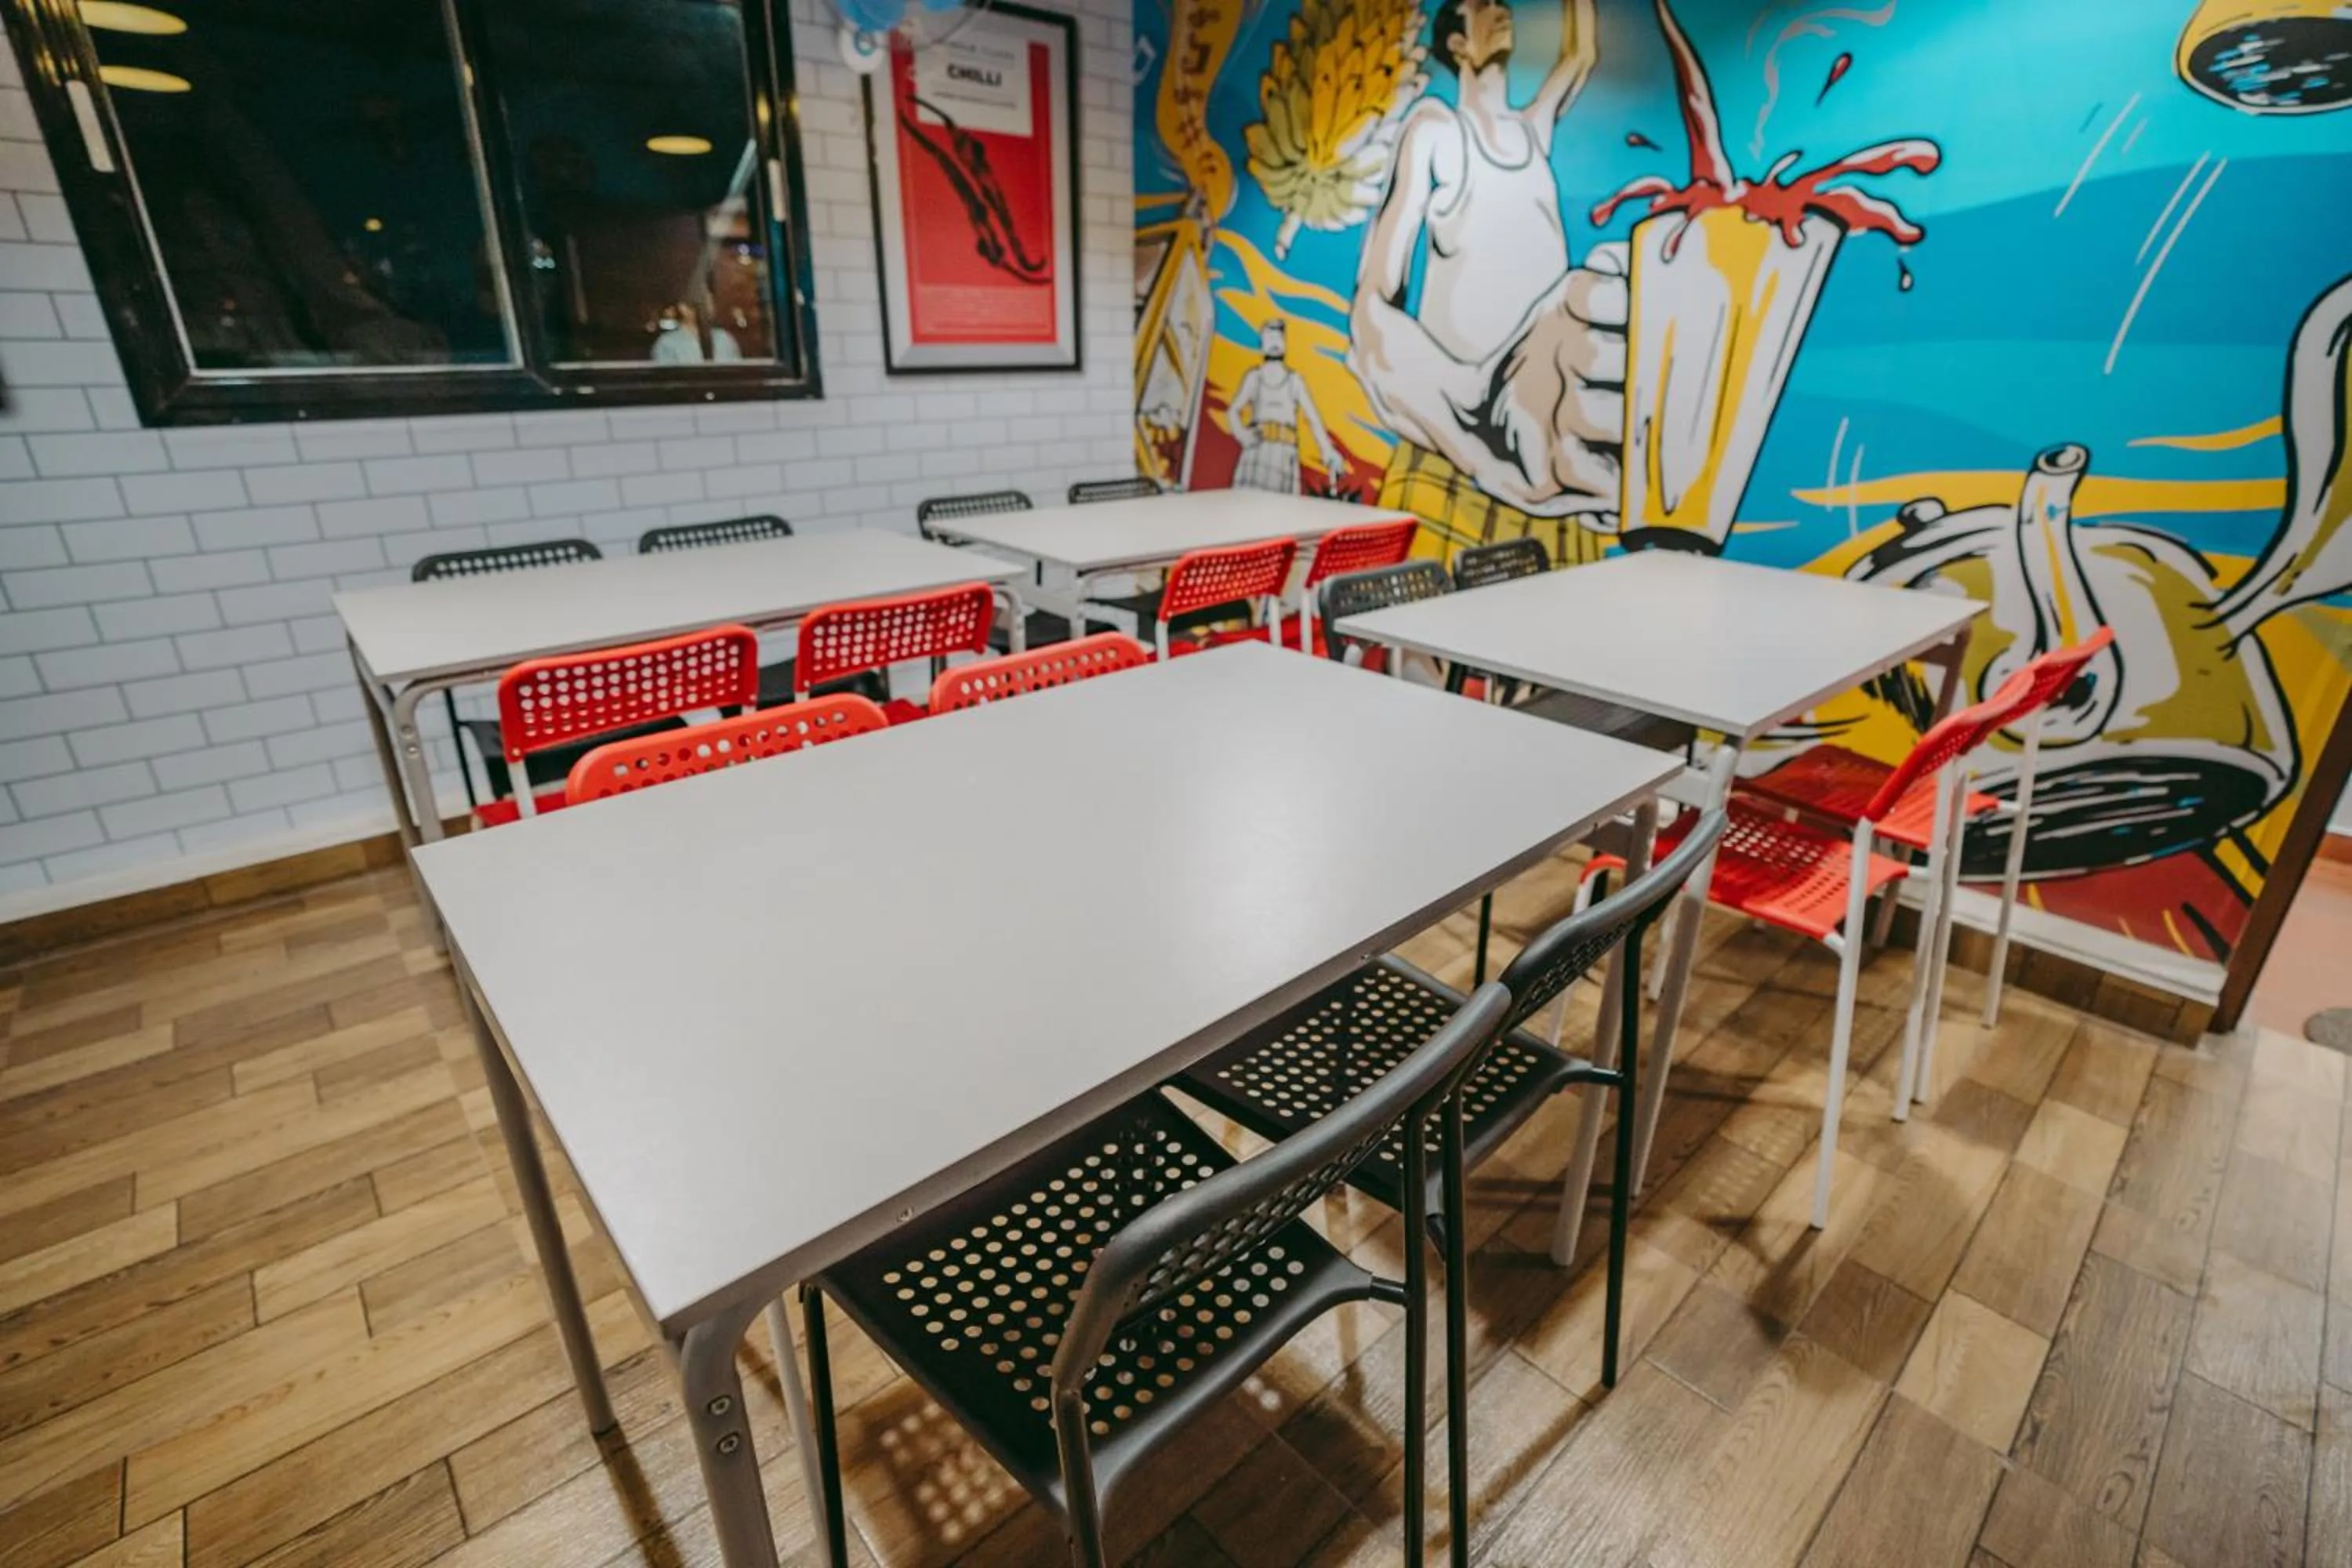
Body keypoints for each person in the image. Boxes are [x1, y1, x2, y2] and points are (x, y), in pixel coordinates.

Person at [1350, 0, 1627, 556]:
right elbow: (1374, 304)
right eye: (1481, 7)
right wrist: (1470, 423)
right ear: (1457, 42)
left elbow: (1580, 55)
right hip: (1455, 463)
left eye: (1502, 5)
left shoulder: (1531, 132)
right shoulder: (1437, 131)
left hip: (1545, 464)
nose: (1499, 10)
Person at [1223, 318, 1344, 494]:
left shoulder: (1295, 381)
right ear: (1262, 344)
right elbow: (1233, 411)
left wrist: (1327, 449)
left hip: (1285, 454)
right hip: (1258, 451)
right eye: (1270, 337)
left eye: (1278, 337)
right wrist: (1242, 434)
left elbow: (1313, 418)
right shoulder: (1254, 377)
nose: (1274, 342)